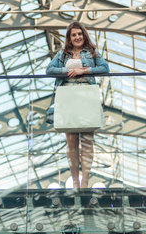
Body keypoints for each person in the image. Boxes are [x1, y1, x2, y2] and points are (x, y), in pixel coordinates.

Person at [46, 21, 110, 188]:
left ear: (84, 35)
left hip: (86, 95)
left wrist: (84, 70)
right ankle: (75, 180)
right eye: (73, 35)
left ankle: (86, 180)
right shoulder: (63, 55)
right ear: (69, 37)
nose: (77, 37)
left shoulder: (92, 53)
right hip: (68, 97)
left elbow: (105, 68)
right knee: (71, 140)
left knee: (88, 139)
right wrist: (67, 72)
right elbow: (49, 70)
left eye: (79, 34)